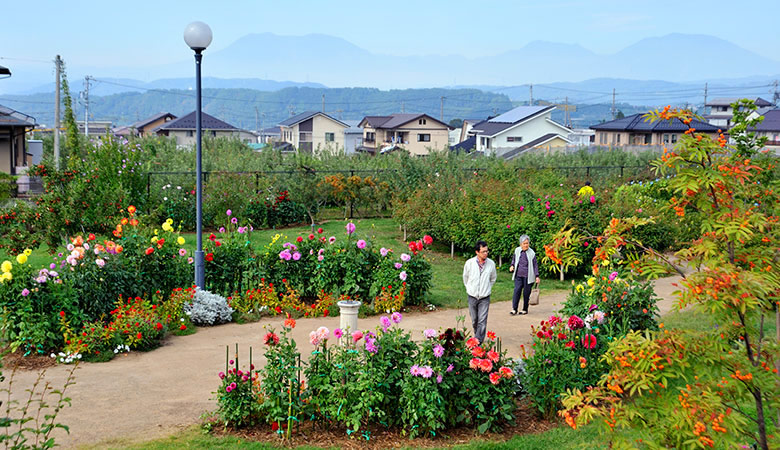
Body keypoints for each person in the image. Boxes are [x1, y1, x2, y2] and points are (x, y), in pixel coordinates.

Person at [462, 240, 497, 343]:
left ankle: (478, 341)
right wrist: (469, 288)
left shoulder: (491, 264)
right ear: (477, 252)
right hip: (472, 295)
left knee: (482, 320)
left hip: (484, 297)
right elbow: (465, 277)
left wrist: (487, 288)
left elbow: (493, 278)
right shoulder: (469, 263)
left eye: (487, 251)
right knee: (474, 320)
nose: (486, 253)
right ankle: (477, 336)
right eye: (483, 251)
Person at [508, 234, 540, 315]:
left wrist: (537, 276)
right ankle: (514, 309)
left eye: (527, 243)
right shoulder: (517, 250)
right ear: (520, 244)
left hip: (528, 277)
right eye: (524, 243)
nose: (526, 245)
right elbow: (514, 260)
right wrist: (512, 265)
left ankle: (525, 309)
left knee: (526, 293)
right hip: (518, 275)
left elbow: (535, 265)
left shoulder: (532, 253)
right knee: (516, 291)